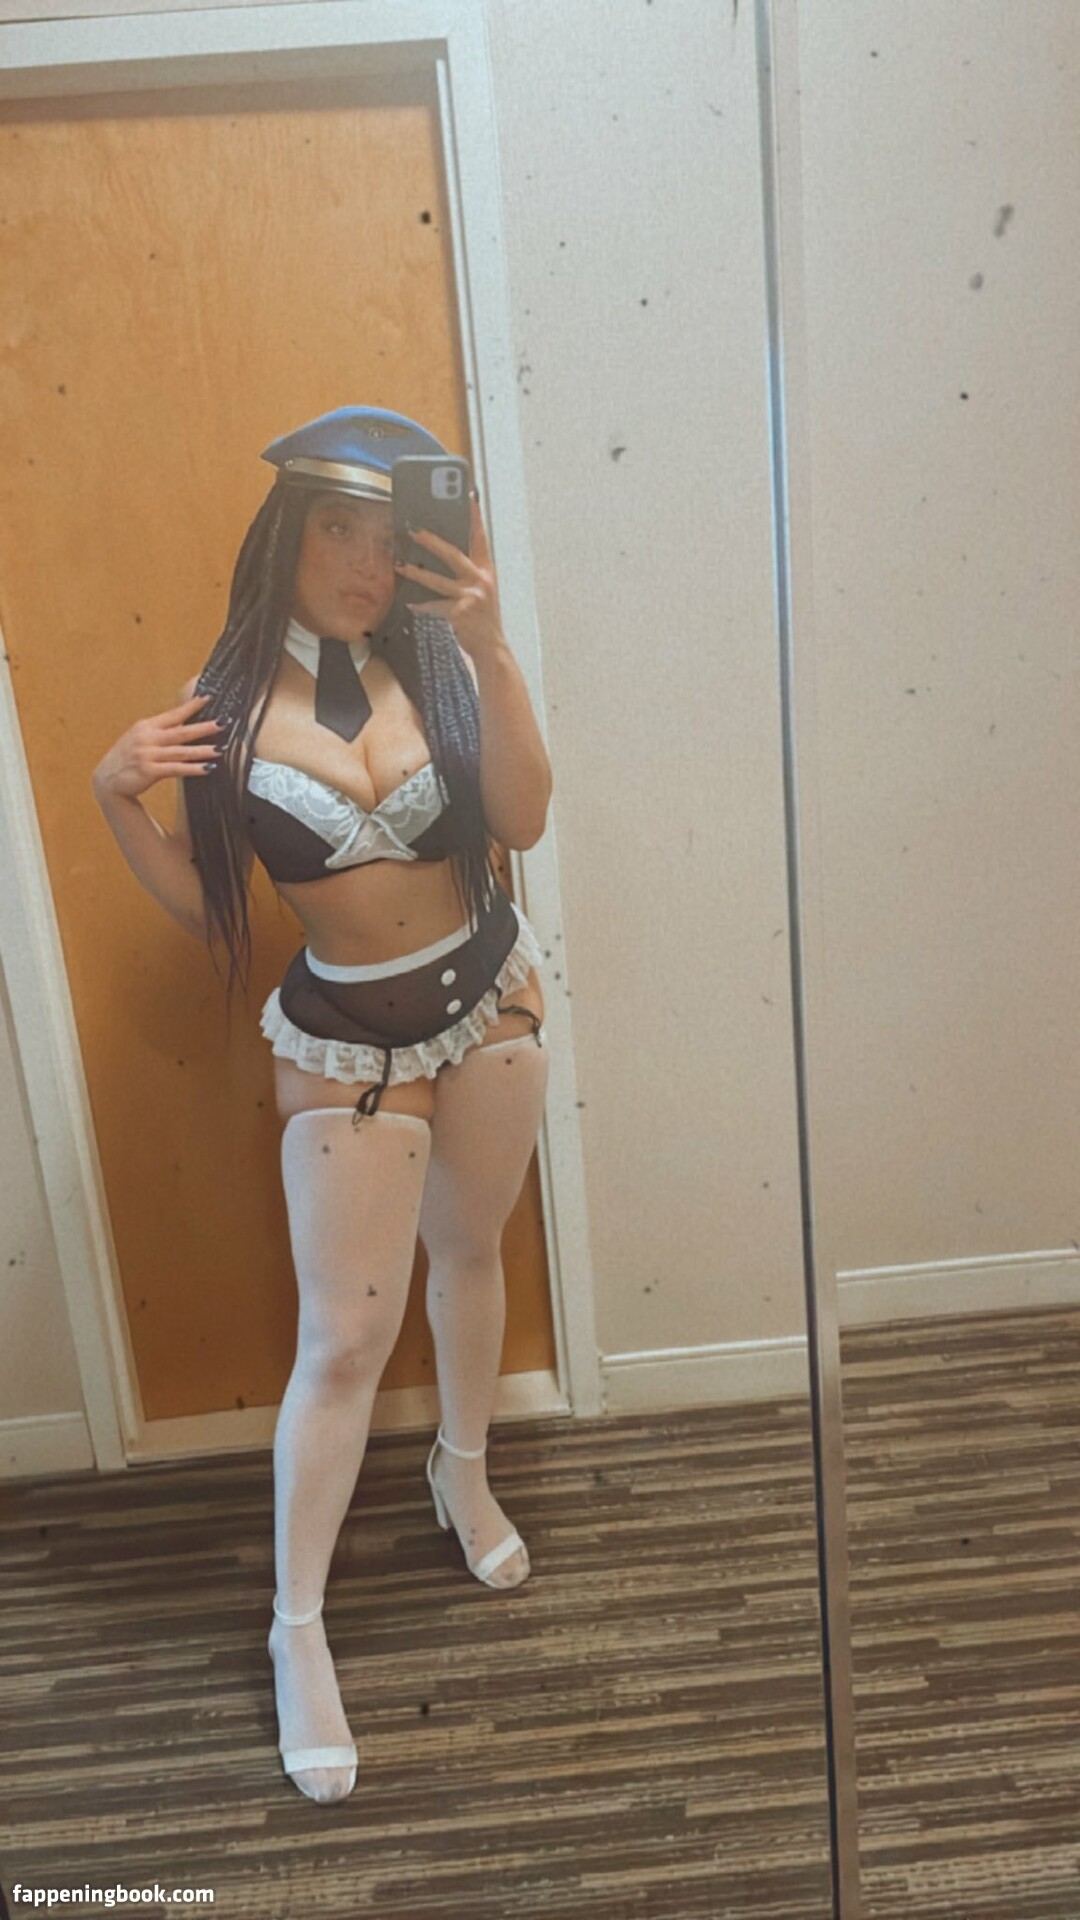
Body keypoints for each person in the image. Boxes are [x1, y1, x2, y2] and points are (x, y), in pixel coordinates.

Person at [91, 405, 552, 1806]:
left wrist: (492, 647)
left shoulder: (446, 668)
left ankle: (462, 1470)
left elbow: (524, 822)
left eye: (385, 534)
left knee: (471, 1254)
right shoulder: (220, 710)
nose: (362, 563)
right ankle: (296, 1626)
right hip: (346, 1039)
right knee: (342, 1340)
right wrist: (117, 803)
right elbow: (210, 912)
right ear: (284, 535)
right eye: (334, 530)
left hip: (490, 994)